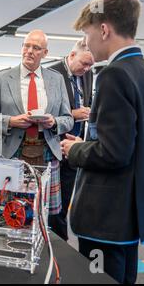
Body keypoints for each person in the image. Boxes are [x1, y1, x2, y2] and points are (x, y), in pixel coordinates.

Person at [60, 0, 144, 284]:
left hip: (105, 217)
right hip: (132, 214)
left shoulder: (114, 75)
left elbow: (113, 152)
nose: (88, 43)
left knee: (99, 280)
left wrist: (76, 148)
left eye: (87, 34)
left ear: (104, 29)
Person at [0, 29, 73, 216]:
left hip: (47, 151)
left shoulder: (56, 79)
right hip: (12, 152)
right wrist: (11, 121)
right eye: (26, 46)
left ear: (45, 53)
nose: (29, 51)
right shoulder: (2, 78)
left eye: (36, 47)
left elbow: (68, 119)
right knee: (10, 210)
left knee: (42, 213)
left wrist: (54, 122)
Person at [46, 39, 94, 241]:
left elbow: (87, 100)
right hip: (53, 144)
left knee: (65, 196)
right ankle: (55, 238)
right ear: (71, 55)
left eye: (91, 64)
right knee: (50, 199)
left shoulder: (87, 74)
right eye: (84, 63)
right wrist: (73, 114)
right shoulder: (51, 73)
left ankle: (59, 238)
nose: (87, 68)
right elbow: (46, 112)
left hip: (76, 144)